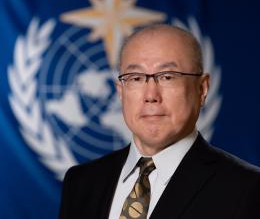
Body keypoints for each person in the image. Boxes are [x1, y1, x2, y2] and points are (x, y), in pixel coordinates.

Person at [59, 24, 260, 219]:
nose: (151, 95)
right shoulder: (81, 183)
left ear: (202, 89)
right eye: (136, 78)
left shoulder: (248, 189)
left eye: (167, 77)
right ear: (121, 92)